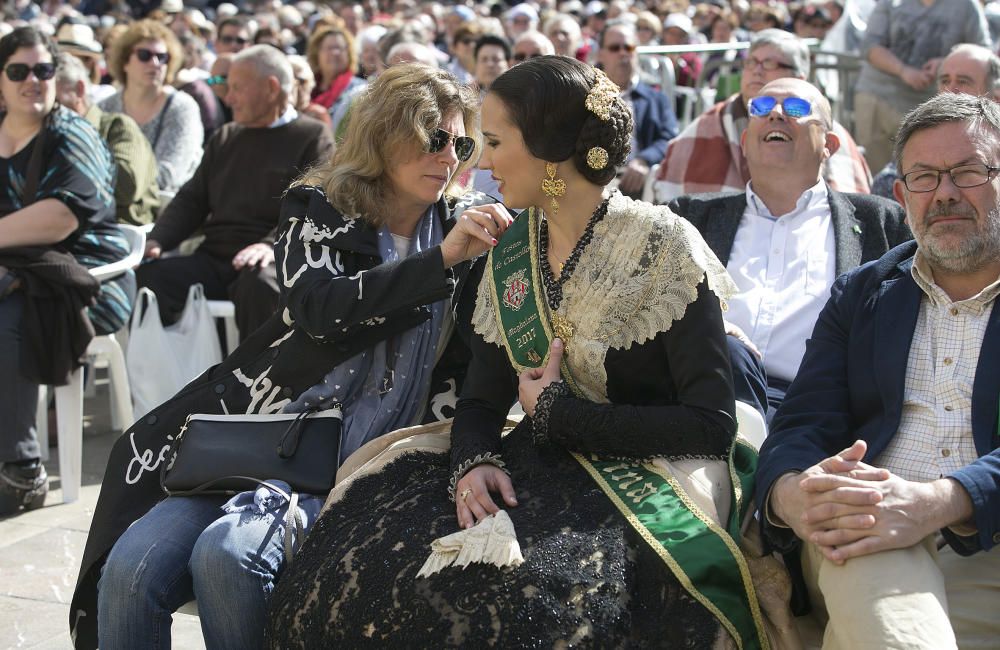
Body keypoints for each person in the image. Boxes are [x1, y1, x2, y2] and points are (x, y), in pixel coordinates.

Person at [265, 55, 777, 649]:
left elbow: (710, 425)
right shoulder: (510, 252)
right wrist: (474, 463)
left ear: (550, 152)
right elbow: (482, 398)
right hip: (540, 459)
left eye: (494, 141)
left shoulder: (661, 248)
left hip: (656, 470)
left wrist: (563, 417)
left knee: (529, 600)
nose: (478, 161)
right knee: (364, 560)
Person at [76, 63, 493, 650]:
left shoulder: (464, 228)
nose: (449, 155)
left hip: (365, 460)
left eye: (461, 142)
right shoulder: (317, 208)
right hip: (268, 433)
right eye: (433, 137)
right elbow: (320, 308)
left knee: (229, 556)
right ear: (382, 136)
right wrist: (438, 263)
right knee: (130, 567)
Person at [757, 92, 1000, 650]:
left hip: (987, 544)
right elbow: (800, 424)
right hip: (861, 532)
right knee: (864, 532)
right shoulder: (863, 294)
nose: (944, 193)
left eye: (967, 173)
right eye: (924, 177)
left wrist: (941, 501)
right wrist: (794, 493)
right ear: (900, 194)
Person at [669, 77, 910, 420]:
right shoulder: (690, 216)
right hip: (702, 396)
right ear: (745, 142)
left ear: (829, 144)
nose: (777, 114)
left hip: (816, 411)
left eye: (796, 108)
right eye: (761, 107)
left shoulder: (882, 224)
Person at [0, 27, 134, 515]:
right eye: (19, 71)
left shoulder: (70, 133)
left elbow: (61, 217)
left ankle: (22, 470)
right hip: (22, 272)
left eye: (43, 70)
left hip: (91, 279)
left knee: (15, 309)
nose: (32, 80)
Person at [136, 45, 333, 341]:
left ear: (271, 88)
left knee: (262, 286)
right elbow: (193, 198)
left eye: (237, 88)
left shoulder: (313, 136)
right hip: (216, 256)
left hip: (271, 259)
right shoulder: (226, 136)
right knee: (148, 279)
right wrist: (158, 239)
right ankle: (169, 386)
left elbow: (314, 206)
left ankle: (258, 384)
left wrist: (270, 245)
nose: (228, 98)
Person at [654, 29, 871, 204]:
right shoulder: (708, 124)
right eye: (751, 62)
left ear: (800, 76)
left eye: (770, 63)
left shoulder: (824, 128)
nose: (756, 71)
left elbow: (850, 208)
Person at [853, 0, 990, 172]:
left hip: (934, 105)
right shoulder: (890, 2)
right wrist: (904, 71)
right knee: (876, 172)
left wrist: (945, 63)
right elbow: (869, 46)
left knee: (926, 170)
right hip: (880, 96)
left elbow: (983, 51)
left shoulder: (966, 5)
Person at [872, 43, 1000, 201]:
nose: (951, 91)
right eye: (945, 80)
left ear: (995, 96)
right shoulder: (891, 182)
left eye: (963, 81)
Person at [99, 19, 204, 195]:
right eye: (144, 55)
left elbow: (169, 175)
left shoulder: (181, 108)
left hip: (165, 209)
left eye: (162, 57)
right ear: (125, 61)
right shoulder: (105, 107)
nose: (155, 63)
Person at [54, 52, 160, 225]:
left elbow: (127, 188)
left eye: (54, 100)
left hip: (116, 233)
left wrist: (76, 140)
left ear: (79, 90)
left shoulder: (117, 127)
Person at [596, 20, 678, 198]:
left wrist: (644, 160)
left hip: (642, 187)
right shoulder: (585, 96)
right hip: (595, 186)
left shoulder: (656, 98)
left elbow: (670, 138)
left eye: (629, 47)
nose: (623, 53)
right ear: (601, 54)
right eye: (615, 48)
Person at [306, 24, 365, 117]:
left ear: (349, 53)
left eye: (339, 48)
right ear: (317, 53)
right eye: (329, 48)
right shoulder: (307, 87)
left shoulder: (360, 90)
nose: (334, 53)